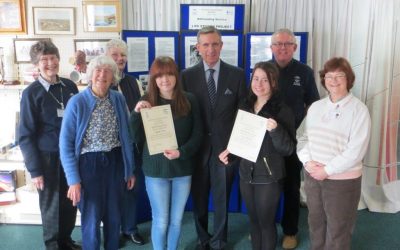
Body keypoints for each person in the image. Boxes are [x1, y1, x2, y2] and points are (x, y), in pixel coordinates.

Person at [59, 55, 136, 250]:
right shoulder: (76, 102)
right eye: (98, 71)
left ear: (113, 77)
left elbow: (126, 136)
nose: (102, 75)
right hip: (88, 165)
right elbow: (66, 144)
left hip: (115, 162)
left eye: (107, 71)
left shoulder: (118, 99)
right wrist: (73, 180)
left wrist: (129, 169)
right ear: (91, 75)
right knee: (91, 220)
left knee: (114, 217)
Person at [181, 26, 247, 250]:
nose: (211, 49)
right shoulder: (186, 76)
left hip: (225, 151)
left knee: (222, 198)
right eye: (205, 45)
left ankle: (219, 241)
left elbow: (243, 114)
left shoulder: (237, 75)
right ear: (198, 48)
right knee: (199, 199)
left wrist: (235, 147)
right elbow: (182, 114)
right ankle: (202, 239)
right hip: (197, 150)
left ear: (221, 45)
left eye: (215, 44)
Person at [219, 62, 296, 250]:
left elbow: (288, 149)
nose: (259, 84)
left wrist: (276, 130)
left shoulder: (282, 110)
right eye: (256, 79)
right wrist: (230, 152)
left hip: (269, 176)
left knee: (266, 223)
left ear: (273, 83)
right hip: (247, 174)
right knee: (253, 222)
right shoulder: (245, 106)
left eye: (265, 80)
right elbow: (241, 141)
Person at [297, 57, 371, 250]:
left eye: (340, 76)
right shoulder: (316, 107)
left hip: (342, 180)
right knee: (316, 223)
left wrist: (327, 170)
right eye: (329, 76)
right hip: (313, 176)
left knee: (338, 228)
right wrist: (307, 162)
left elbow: (356, 150)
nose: (334, 80)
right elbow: (302, 137)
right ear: (324, 79)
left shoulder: (359, 110)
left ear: (349, 79)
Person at [130, 56, 203, 250]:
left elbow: (198, 135)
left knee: (176, 220)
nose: (165, 80)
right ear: (153, 79)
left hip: (182, 169)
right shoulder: (146, 101)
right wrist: (136, 114)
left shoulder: (190, 100)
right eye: (159, 76)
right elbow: (135, 136)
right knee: (161, 220)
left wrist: (181, 152)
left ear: (176, 76)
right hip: (156, 170)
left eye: (169, 74)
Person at [18, 40, 80, 250]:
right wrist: (35, 171)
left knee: (70, 201)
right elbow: (25, 135)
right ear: (36, 64)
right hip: (47, 159)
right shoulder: (31, 94)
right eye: (44, 59)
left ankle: (66, 240)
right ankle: (54, 245)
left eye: (53, 58)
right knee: (52, 206)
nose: (50, 63)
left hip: (70, 157)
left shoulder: (69, 86)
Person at [269, 28, 320, 249]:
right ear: (271, 47)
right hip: (267, 141)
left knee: (291, 186)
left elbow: (314, 106)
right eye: (278, 44)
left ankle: (290, 231)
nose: (282, 47)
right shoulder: (263, 69)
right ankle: (266, 227)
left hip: (294, 141)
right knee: (267, 187)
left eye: (287, 44)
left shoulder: (305, 72)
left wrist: (307, 134)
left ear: (295, 47)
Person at [105, 38, 145, 245]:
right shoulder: (102, 83)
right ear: (106, 58)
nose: (120, 59)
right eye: (115, 55)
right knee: (113, 191)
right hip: (111, 148)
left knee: (132, 188)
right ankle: (115, 231)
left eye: (123, 55)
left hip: (132, 145)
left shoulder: (133, 82)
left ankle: (130, 228)